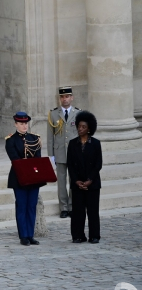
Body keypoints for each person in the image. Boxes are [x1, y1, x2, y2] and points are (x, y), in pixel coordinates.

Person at [5, 112, 46, 246]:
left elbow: (38, 157)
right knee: (22, 206)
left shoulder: (34, 138)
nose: (24, 126)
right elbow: (15, 160)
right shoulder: (11, 140)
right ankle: (23, 235)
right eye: (21, 124)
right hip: (20, 177)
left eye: (26, 123)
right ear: (15, 124)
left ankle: (30, 234)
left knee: (32, 206)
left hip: (33, 177)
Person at [67, 111, 103, 244]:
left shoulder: (95, 144)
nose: (80, 129)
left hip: (92, 183)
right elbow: (70, 164)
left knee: (93, 211)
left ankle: (94, 235)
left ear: (89, 129)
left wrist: (89, 180)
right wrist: (76, 180)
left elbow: (98, 164)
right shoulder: (72, 144)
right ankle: (77, 235)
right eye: (79, 126)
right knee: (77, 211)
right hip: (77, 183)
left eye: (83, 127)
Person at [47, 86, 81, 218]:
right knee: (61, 181)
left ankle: (72, 206)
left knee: (74, 180)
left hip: (74, 153)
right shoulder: (53, 114)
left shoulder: (78, 113)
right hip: (60, 152)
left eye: (67, 96)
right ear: (59, 98)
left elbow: (80, 134)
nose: (65, 99)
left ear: (71, 97)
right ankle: (64, 207)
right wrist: (51, 155)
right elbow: (50, 136)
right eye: (62, 97)